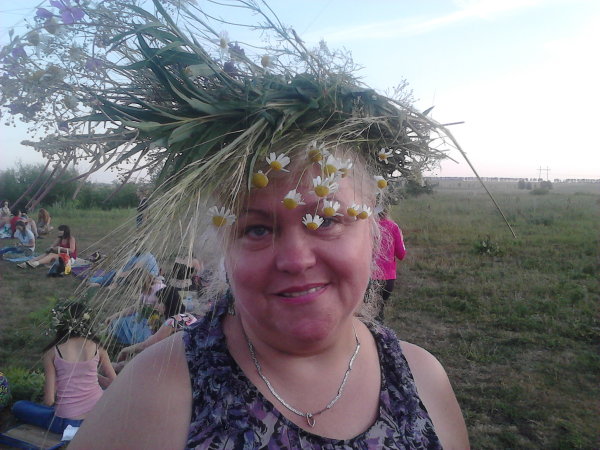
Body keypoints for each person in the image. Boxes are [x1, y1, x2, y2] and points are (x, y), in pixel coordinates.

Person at [66, 3, 468, 447]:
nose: (295, 260)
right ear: (222, 246)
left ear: (373, 231)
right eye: (257, 229)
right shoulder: (154, 394)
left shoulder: (423, 381)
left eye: (327, 220)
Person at [11, 302, 116, 434]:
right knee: (102, 391)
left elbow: (49, 400)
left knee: (19, 406)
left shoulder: (52, 352)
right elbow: (115, 382)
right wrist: (94, 376)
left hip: (68, 423)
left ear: (61, 323)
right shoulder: (98, 347)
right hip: (98, 415)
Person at [113, 287, 198, 373]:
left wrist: (124, 351)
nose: (155, 306)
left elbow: (145, 345)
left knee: (121, 367)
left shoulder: (173, 321)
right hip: (194, 360)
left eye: (158, 302)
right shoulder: (188, 316)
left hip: (183, 365)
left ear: (166, 304)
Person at [104, 268, 166, 345]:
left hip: (156, 321)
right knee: (117, 323)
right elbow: (135, 308)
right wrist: (115, 315)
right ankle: (124, 343)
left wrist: (151, 311)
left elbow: (162, 311)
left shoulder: (159, 289)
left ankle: (142, 346)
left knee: (144, 334)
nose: (135, 288)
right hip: (143, 318)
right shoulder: (143, 291)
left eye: (136, 285)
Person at [372, 209, 407, 322]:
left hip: (368, 278)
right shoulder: (393, 227)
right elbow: (401, 254)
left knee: (366, 315)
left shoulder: (365, 226)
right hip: (387, 279)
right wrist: (401, 239)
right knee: (379, 312)